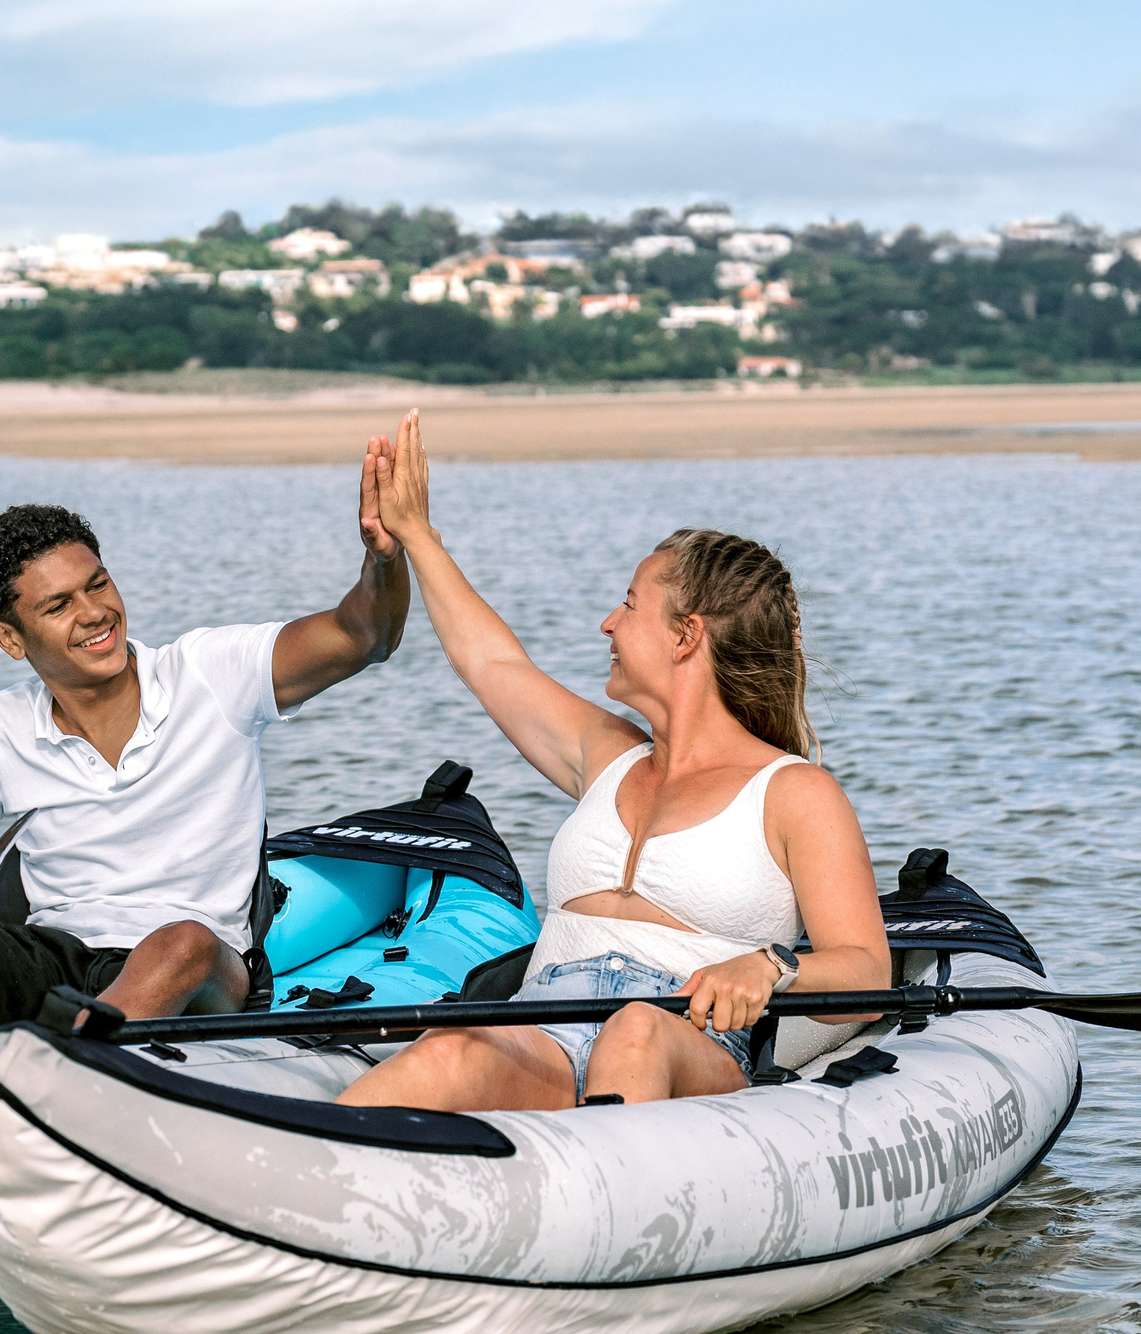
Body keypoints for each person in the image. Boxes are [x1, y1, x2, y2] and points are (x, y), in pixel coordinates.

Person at [340, 412, 889, 1111]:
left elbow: (865, 966)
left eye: (629, 604)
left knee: (636, 1032)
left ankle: (612, 1203)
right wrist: (414, 533)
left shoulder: (792, 793)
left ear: (687, 636)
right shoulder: (608, 756)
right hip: (544, 1021)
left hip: (687, 1040)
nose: (608, 622)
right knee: (452, 1046)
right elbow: (492, 661)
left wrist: (769, 967)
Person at [0, 454, 409, 1024]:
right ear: (10, 639)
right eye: (59, 605)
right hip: (50, 964)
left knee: (180, 943)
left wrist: (384, 558)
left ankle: (70, 1064)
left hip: (200, 970)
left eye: (98, 584)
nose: (95, 612)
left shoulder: (209, 672)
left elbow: (364, 636)